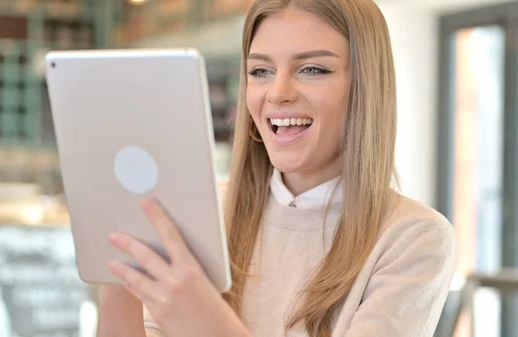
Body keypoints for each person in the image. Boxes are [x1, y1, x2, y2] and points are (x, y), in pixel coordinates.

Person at [96, 0, 457, 336]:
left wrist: (209, 321)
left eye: (313, 69)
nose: (278, 92)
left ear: (365, 87)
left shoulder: (414, 238)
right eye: (261, 70)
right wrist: (115, 266)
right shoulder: (199, 215)